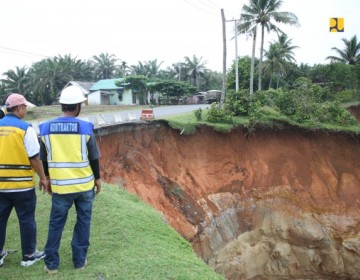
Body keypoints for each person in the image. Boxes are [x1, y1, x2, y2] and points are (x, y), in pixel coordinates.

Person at [39, 86, 101, 275]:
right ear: (78, 107)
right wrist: (97, 179)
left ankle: (51, 265)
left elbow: (44, 157)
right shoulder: (85, 127)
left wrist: (47, 179)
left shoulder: (45, 128)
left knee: (56, 223)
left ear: (63, 105)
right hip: (84, 186)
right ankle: (79, 261)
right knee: (83, 222)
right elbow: (94, 157)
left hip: (60, 188)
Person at [0, 93, 47, 267]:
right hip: (22, 186)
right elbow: (35, 157)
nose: (26, 110)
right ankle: (28, 254)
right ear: (19, 108)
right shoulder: (24, 128)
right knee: (26, 219)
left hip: (0, 186)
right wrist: (43, 178)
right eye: (25, 107)